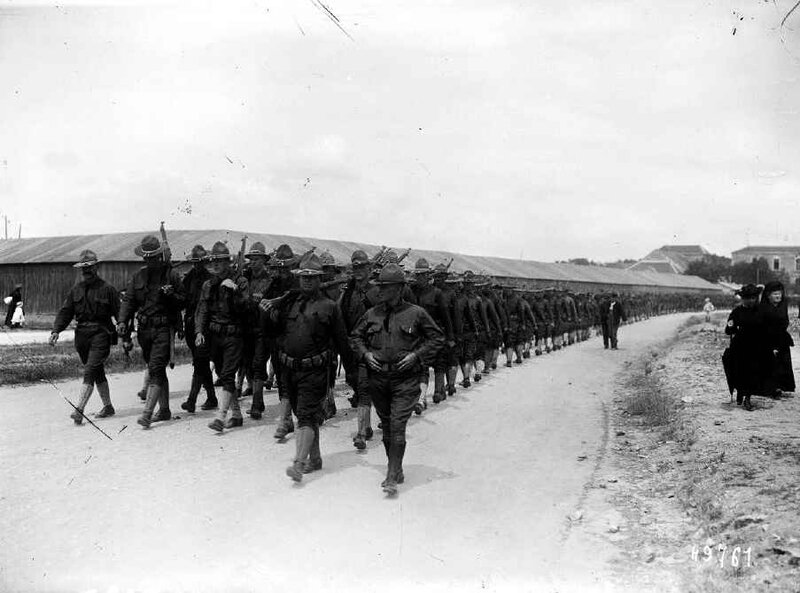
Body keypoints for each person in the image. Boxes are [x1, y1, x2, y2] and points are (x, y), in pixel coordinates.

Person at [350, 263, 445, 496]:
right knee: (388, 426)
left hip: (406, 380)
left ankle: (391, 476)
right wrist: (366, 354)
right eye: (380, 286)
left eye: (386, 287)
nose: (381, 291)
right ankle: (397, 467)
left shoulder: (416, 313)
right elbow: (355, 336)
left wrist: (416, 356)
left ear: (400, 288)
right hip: (379, 378)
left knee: (397, 425)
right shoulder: (372, 314)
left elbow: (436, 339)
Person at [261, 252, 348, 481]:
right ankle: (316, 459)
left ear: (320, 279)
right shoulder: (289, 302)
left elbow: (342, 342)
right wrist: (269, 316)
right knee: (303, 414)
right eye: (303, 277)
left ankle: (299, 463)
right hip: (290, 369)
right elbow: (273, 332)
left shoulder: (330, 306)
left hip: (316, 370)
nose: (307, 280)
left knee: (307, 416)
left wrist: (354, 371)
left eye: (312, 277)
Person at [117, 235, 185, 428]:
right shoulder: (138, 276)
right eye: (146, 258)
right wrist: (123, 321)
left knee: (155, 368)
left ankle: (147, 414)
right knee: (156, 369)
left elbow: (184, 301)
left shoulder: (171, 275)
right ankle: (164, 411)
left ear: (160, 256)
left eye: (153, 257)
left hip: (163, 328)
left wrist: (172, 295)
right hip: (144, 330)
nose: (150, 261)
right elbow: (129, 301)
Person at [50, 250, 120, 423]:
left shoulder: (108, 289)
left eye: (89, 267)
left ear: (96, 267)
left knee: (90, 370)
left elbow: (120, 315)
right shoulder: (76, 290)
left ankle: (79, 409)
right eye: (83, 268)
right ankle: (108, 406)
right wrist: (55, 331)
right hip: (81, 336)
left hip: (101, 333)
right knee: (96, 371)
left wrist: (125, 337)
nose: (86, 271)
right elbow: (66, 312)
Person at [195, 242, 250, 432]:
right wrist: (199, 331)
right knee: (222, 373)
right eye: (213, 261)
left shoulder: (240, 281)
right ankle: (236, 414)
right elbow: (202, 309)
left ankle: (220, 417)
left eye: (220, 261)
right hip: (214, 335)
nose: (216, 264)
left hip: (234, 335)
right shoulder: (208, 284)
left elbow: (247, 309)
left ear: (228, 262)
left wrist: (234, 291)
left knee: (227, 375)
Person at [339, 249, 379, 449]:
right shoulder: (348, 292)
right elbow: (340, 316)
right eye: (355, 267)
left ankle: (362, 433)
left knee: (364, 387)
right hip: (351, 347)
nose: (359, 271)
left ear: (370, 269)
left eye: (362, 267)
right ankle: (368, 426)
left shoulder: (377, 291)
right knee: (353, 381)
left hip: (370, 346)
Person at [409, 258, 453, 410]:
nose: (419, 278)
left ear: (428, 276)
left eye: (423, 275)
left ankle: (438, 391)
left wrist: (450, 338)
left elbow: (446, 317)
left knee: (439, 364)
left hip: (435, 335)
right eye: (417, 275)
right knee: (422, 367)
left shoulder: (436, 293)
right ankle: (421, 400)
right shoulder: (411, 291)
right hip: (416, 337)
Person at [180, 245, 217, 413]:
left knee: (200, 360)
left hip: (204, 325)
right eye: (194, 262)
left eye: (200, 262)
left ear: (206, 262)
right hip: (189, 323)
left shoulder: (211, 279)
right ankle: (211, 397)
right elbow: (182, 299)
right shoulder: (188, 279)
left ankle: (192, 399)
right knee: (199, 361)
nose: (197, 265)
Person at [725, 284, 769, 411]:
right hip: (739, 347)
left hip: (756, 347)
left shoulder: (761, 311)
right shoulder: (736, 312)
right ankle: (740, 393)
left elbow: (766, 329)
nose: (751, 300)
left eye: (753, 298)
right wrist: (733, 327)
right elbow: (728, 330)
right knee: (739, 371)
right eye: (748, 298)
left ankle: (747, 398)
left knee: (752, 372)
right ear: (742, 298)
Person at [241, 242, 272, 420]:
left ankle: (256, 405)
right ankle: (257, 398)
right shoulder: (244, 278)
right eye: (251, 259)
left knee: (258, 364)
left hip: (262, 327)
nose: (253, 262)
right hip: (246, 327)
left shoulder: (269, 280)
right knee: (247, 363)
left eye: (257, 259)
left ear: (264, 260)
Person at [759, 281, 795, 397]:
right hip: (767, 338)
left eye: (779, 294)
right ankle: (770, 388)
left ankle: (781, 386)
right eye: (775, 294)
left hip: (781, 338)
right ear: (768, 296)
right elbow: (762, 325)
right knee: (770, 363)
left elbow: (786, 320)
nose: (778, 296)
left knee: (782, 362)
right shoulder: (763, 308)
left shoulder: (783, 305)